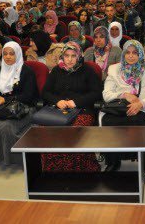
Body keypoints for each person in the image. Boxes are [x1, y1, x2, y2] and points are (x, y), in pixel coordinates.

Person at [33, 42, 102, 172]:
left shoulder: (88, 71)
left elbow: (96, 93)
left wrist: (76, 102)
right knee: (47, 132)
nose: (69, 59)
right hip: (58, 111)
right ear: (62, 56)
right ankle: (52, 170)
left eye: (73, 56)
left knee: (74, 132)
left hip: (82, 110)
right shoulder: (56, 71)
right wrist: (57, 101)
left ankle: (77, 171)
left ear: (79, 56)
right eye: (66, 56)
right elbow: (45, 92)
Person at [101, 40, 145, 182]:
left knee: (141, 120)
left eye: (135, 53)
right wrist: (124, 95)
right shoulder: (114, 69)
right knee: (108, 121)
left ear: (140, 54)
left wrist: (141, 103)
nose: (131, 56)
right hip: (118, 108)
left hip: (141, 108)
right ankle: (113, 162)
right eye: (127, 52)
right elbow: (106, 94)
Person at [0, 42, 38, 167]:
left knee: (6, 127)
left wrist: (5, 100)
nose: (8, 57)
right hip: (4, 109)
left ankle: (14, 160)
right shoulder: (0, 70)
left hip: (25, 108)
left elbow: (28, 96)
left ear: (17, 54)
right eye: (5, 54)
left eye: (11, 54)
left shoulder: (27, 71)